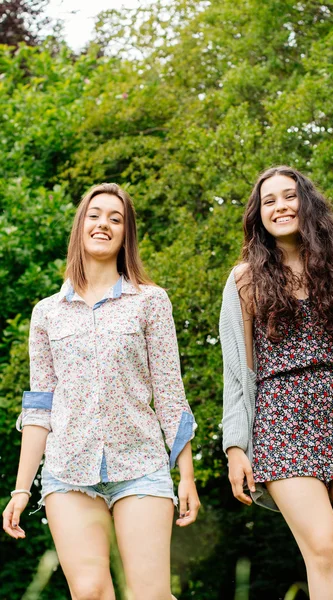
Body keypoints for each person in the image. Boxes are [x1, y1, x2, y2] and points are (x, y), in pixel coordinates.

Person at [3, 183, 200, 600]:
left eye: (116, 218)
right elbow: (40, 406)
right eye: (94, 215)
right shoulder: (47, 313)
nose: (103, 224)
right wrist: (21, 488)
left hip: (140, 466)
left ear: (126, 234)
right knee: (90, 592)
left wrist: (186, 475)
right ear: (80, 227)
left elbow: (170, 392)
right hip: (68, 471)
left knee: (150, 594)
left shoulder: (150, 301)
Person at [219, 166, 333, 600]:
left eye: (289, 196)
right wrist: (235, 446)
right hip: (280, 427)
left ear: (307, 203)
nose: (281, 207)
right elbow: (236, 375)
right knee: (324, 551)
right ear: (258, 215)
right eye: (269, 201)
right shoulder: (244, 279)